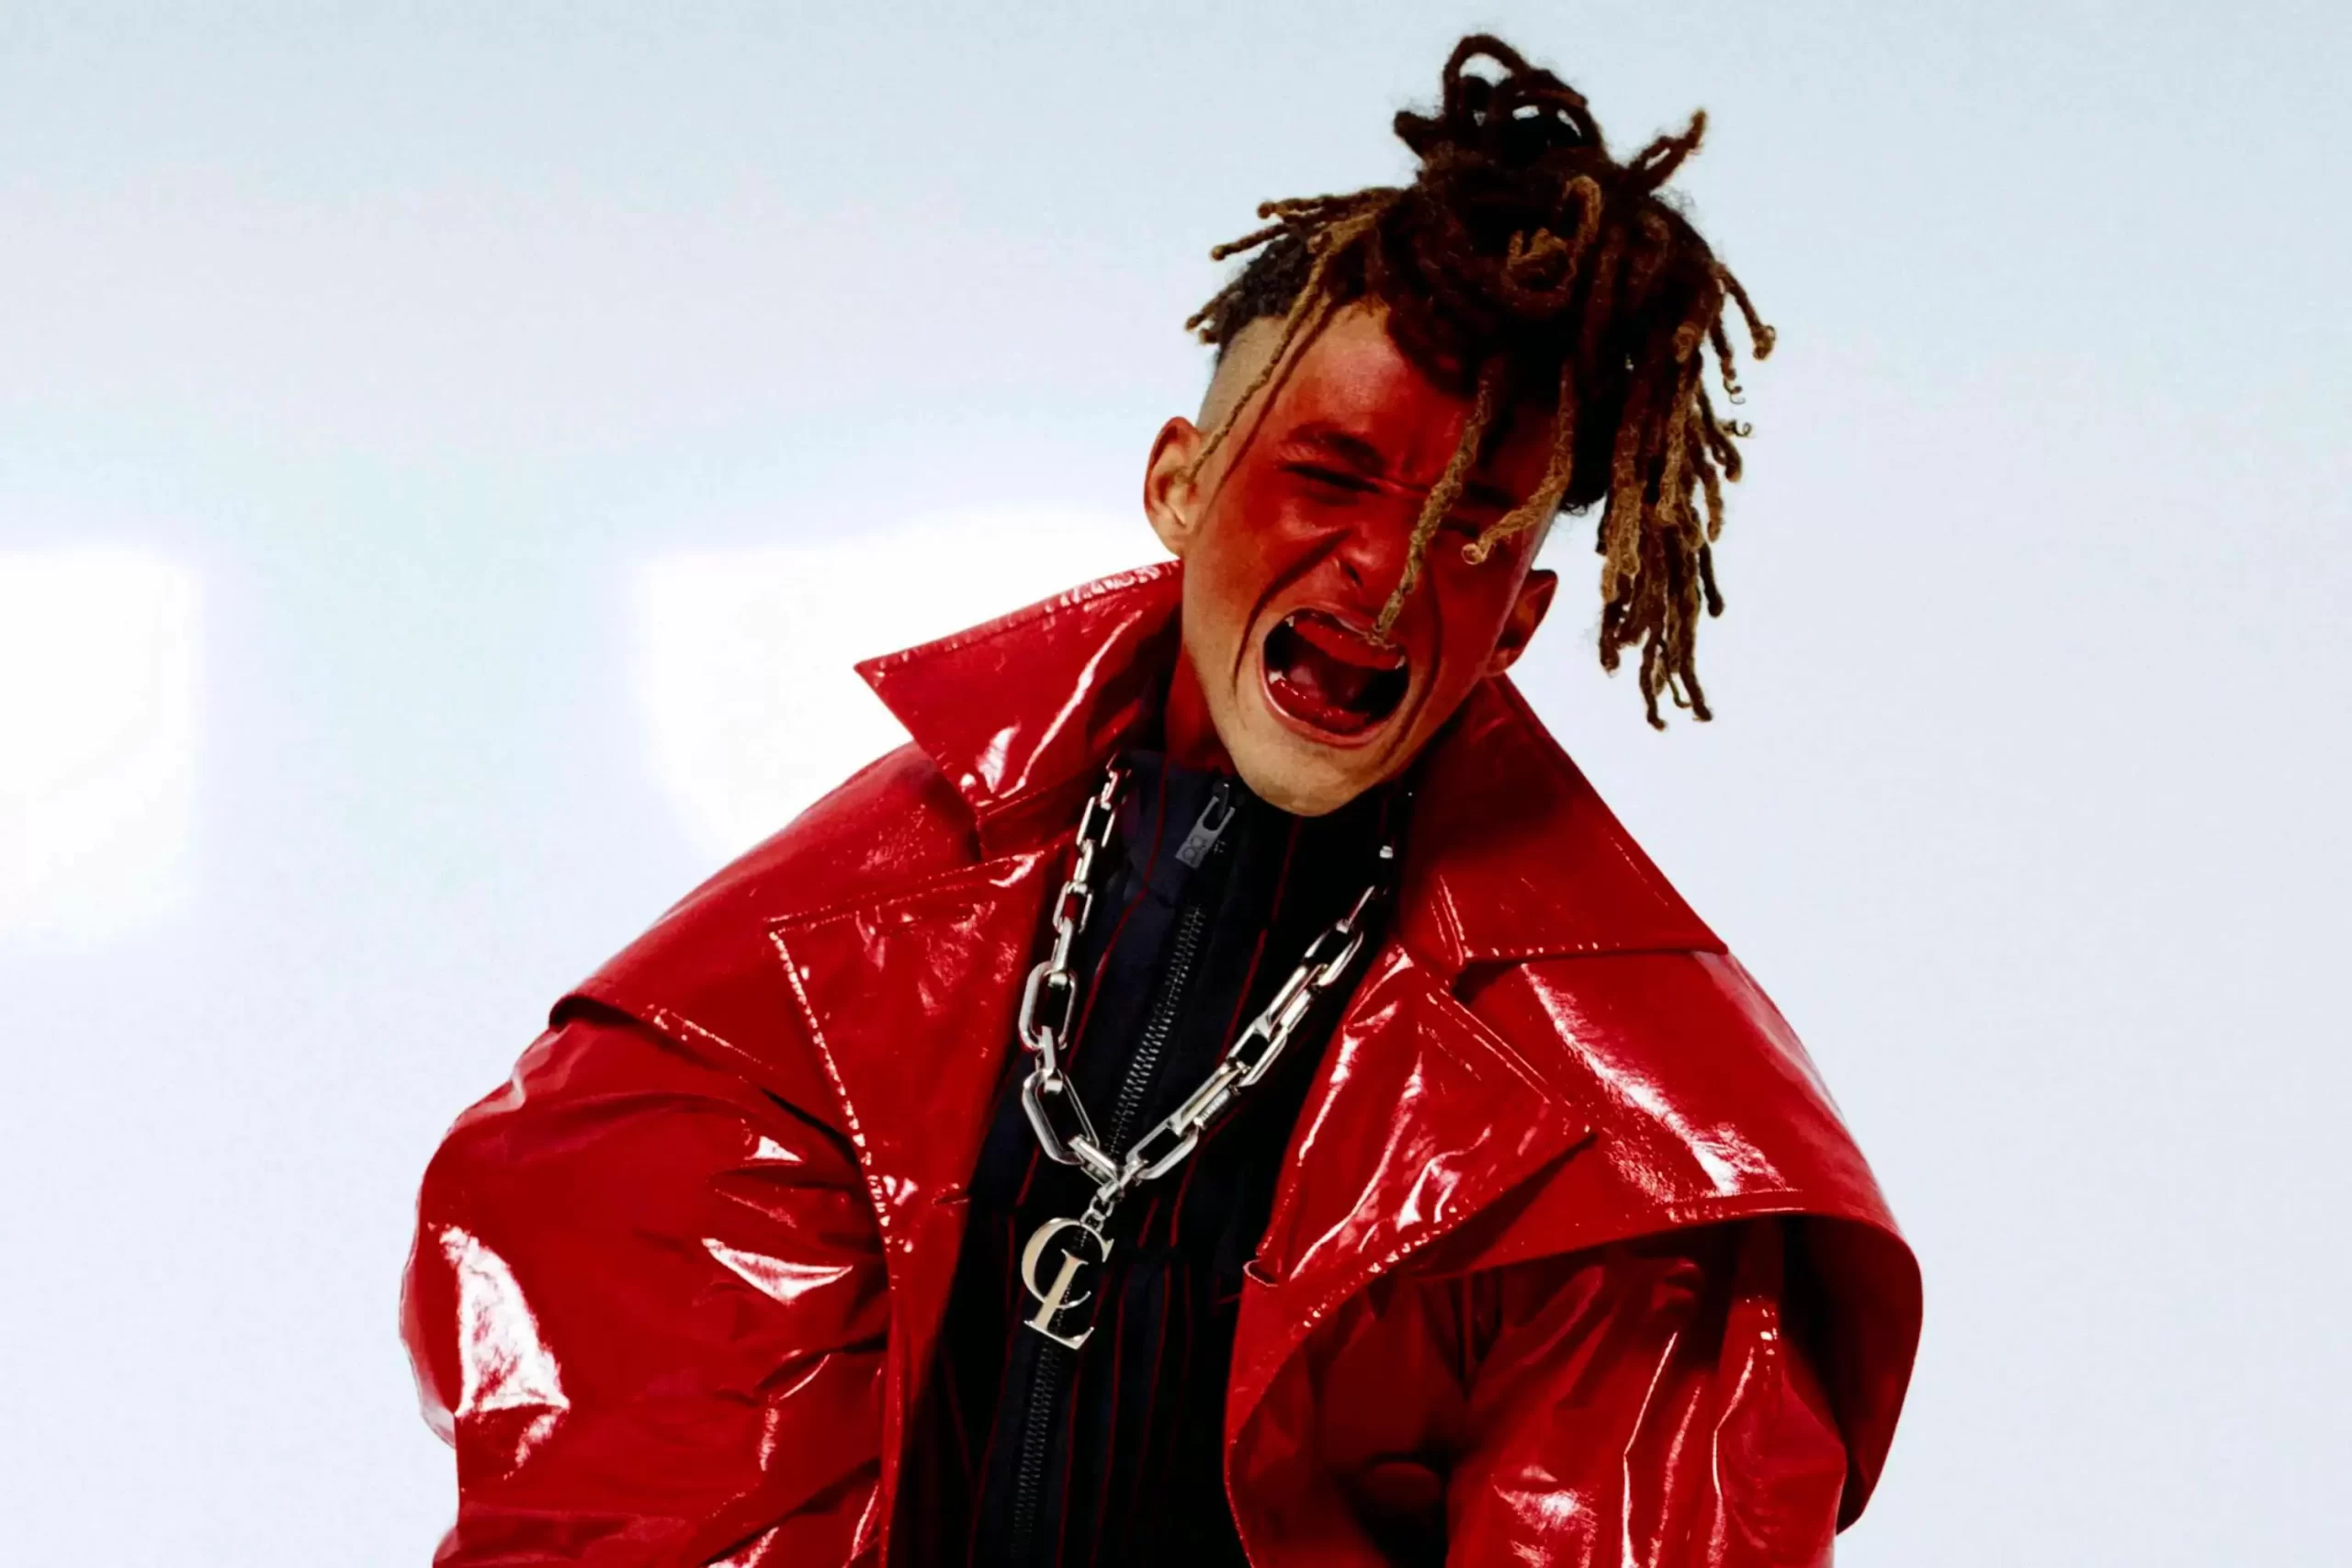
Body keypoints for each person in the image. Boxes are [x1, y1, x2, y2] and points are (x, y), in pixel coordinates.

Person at [401, 34, 1919, 1567]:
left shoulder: (1635, 1154)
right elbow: (643, 1425)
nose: (1385, 576)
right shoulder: (834, 951)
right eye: (1333, 473)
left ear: (1519, 620)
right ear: (1179, 485)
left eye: (1470, 530)